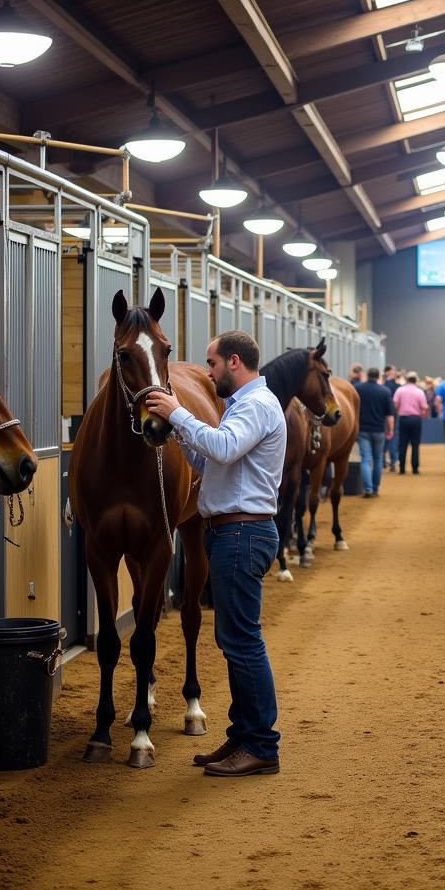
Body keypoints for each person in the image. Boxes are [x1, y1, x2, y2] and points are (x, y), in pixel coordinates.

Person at [145, 330, 285, 778]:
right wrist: (181, 436)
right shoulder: (242, 406)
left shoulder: (258, 406)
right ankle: (243, 735)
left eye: (212, 364)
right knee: (234, 641)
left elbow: (224, 446)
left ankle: (261, 744)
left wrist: (179, 413)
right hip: (234, 533)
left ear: (235, 363)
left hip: (242, 534)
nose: (208, 372)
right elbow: (213, 462)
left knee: (243, 643)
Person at [354, 366, 394, 498]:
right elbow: (389, 415)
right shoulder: (385, 391)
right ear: (378, 377)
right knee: (377, 460)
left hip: (362, 430)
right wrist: (391, 430)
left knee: (365, 459)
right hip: (378, 430)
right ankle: (375, 489)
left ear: (368, 375)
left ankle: (368, 488)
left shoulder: (358, 389)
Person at [393, 372, 428, 474]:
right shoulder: (419, 392)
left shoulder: (400, 390)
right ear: (416, 380)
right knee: (415, 445)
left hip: (403, 418)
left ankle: (402, 468)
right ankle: (415, 468)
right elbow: (424, 407)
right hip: (416, 419)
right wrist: (422, 413)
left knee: (402, 445)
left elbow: (395, 404)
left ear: (407, 380)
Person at [382, 364, 399, 471]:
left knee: (384, 438)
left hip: (384, 415)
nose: (395, 372)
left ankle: (383, 461)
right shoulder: (397, 387)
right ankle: (393, 462)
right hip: (393, 415)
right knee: (392, 438)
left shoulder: (383, 386)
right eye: (394, 371)